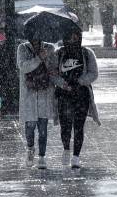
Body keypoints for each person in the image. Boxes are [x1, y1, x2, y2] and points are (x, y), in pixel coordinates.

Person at [53, 28, 99, 169]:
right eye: (69, 38)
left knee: (79, 127)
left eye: (75, 37)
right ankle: (66, 148)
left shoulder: (87, 53)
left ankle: (76, 157)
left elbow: (94, 73)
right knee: (65, 126)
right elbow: (53, 73)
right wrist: (63, 84)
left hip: (81, 95)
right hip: (64, 95)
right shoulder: (58, 53)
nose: (72, 41)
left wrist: (80, 82)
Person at [17, 32, 57, 169]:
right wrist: (39, 58)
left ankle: (42, 156)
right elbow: (23, 67)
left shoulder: (50, 48)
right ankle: (30, 149)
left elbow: (53, 69)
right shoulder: (22, 48)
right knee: (30, 126)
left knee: (43, 127)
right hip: (29, 94)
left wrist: (47, 60)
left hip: (45, 92)